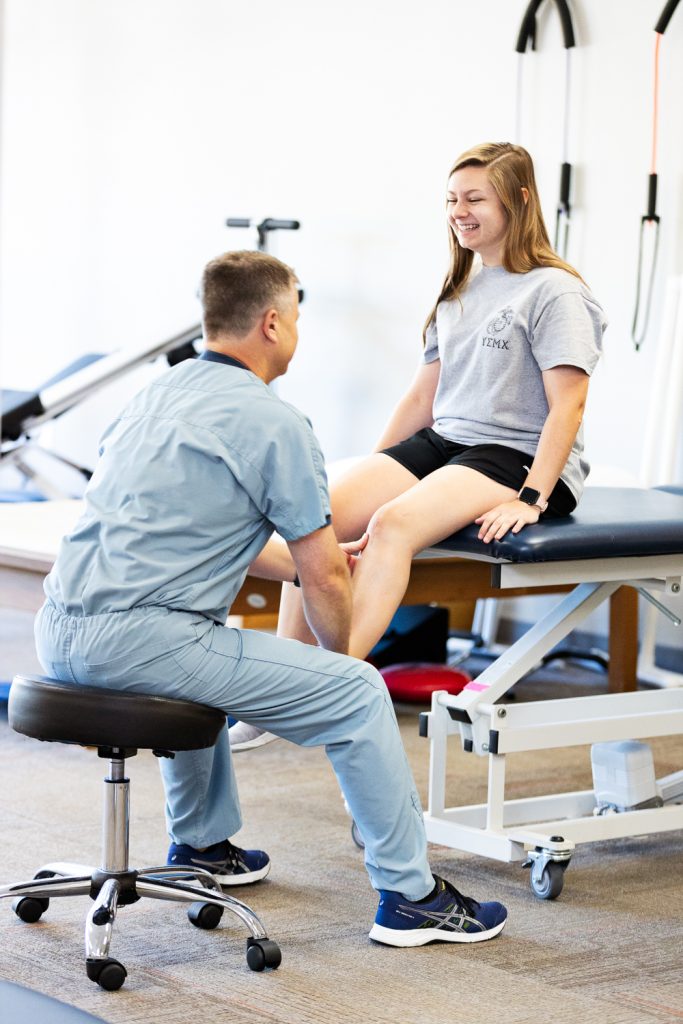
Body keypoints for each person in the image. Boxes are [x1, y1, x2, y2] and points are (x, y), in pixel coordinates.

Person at [34, 249, 507, 948]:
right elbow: (324, 580)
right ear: (272, 323)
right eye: (295, 318)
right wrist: (338, 660)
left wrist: (301, 564)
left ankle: (203, 848)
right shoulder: (276, 423)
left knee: (208, 646)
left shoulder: (155, 398)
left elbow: (204, 524)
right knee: (354, 692)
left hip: (60, 629)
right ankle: (413, 899)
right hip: (143, 643)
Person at [237, 140, 607, 752]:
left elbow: (569, 403)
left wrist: (534, 496)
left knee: (393, 524)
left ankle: (331, 684)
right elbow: (420, 401)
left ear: (518, 200)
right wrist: (376, 465)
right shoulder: (459, 289)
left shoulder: (554, 292)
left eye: (474, 199)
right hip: (449, 441)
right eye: (452, 200)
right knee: (316, 512)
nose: (459, 211)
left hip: (517, 455)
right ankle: (282, 685)